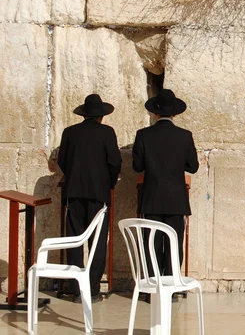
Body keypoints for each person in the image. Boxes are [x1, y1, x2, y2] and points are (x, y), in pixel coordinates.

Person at [58, 94, 122, 303]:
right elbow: (114, 162)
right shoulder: (107, 133)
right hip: (98, 195)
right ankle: (92, 289)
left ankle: (76, 289)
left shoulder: (70, 132)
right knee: (97, 242)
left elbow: (62, 160)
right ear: (101, 116)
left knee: (74, 240)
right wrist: (108, 183)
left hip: (73, 193)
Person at [133, 89, 199, 276]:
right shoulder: (185, 136)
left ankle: (153, 287)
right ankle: (172, 286)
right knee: (174, 243)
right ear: (175, 113)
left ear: (155, 112)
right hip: (176, 200)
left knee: (151, 245)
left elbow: (137, 166)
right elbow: (193, 166)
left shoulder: (143, 135)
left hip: (151, 199)